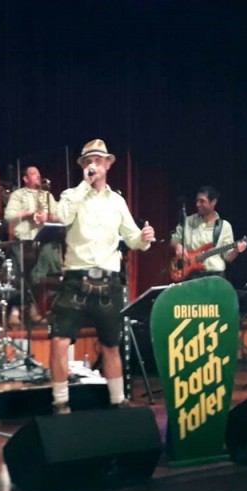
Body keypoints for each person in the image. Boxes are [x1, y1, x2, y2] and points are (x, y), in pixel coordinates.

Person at [48, 139, 154, 413]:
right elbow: (61, 217)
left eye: (98, 160)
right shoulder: (72, 195)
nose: (93, 165)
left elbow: (131, 237)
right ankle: (60, 402)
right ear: (83, 166)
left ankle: (118, 400)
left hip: (108, 280)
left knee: (111, 344)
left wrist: (144, 238)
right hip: (76, 278)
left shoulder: (117, 201)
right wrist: (84, 185)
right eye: (88, 161)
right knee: (59, 340)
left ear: (108, 165)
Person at [3, 165, 62, 325]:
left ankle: (33, 309)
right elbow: (8, 216)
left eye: (38, 173)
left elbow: (59, 215)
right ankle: (15, 311)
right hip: (23, 241)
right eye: (33, 174)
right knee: (20, 277)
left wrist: (47, 217)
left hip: (42, 241)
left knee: (38, 277)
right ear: (25, 179)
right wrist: (29, 214)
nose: (37, 176)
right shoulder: (18, 194)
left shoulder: (47, 195)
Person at [170, 185, 247, 280]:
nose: (198, 204)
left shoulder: (224, 226)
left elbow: (228, 257)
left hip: (215, 276)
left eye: (202, 201)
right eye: (197, 201)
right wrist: (177, 246)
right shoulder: (187, 221)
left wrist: (236, 250)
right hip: (191, 275)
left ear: (213, 202)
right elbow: (174, 239)